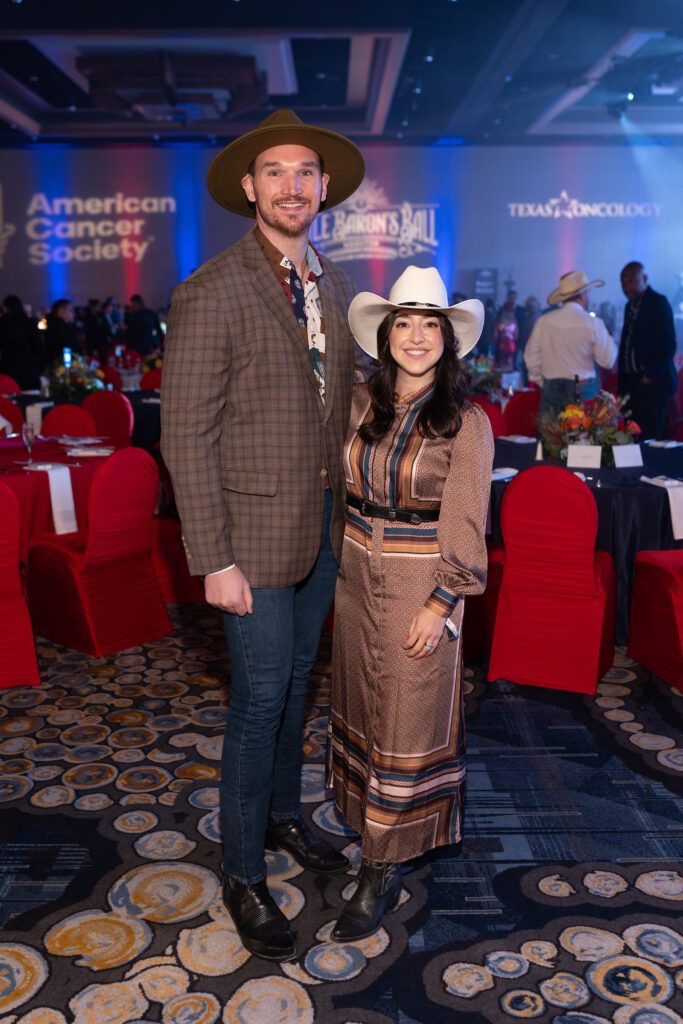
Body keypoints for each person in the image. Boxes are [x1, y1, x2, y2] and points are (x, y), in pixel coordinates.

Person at [161, 109, 365, 963]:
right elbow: (184, 435)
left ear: (322, 189)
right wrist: (212, 559)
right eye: (274, 173)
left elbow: (341, 409)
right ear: (249, 188)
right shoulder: (212, 289)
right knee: (258, 700)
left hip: (323, 530)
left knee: (294, 691)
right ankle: (241, 870)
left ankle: (282, 816)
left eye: (305, 172)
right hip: (246, 539)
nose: (291, 186)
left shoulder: (336, 286)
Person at [329, 266, 493, 941]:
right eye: (405, 322)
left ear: (447, 340)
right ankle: (366, 829)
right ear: (385, 333)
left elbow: (466, 520)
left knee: (405, 714)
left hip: (418, 580)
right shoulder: (358, 403)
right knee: (361, 704)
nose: (417, 335)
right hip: (352, 574)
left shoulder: (466, 421)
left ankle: (379, 862)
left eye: (431, 324)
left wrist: (441, 601)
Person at [524, 270, 617, 418]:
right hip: (582, 387)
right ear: (582, 295)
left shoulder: (544, 321)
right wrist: (610, 338)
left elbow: (531, 357)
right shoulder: (593, 323)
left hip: (551, 386)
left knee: (550, 438)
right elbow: (608, 360)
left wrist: (544, 382)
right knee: (581, 439)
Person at [618, 261, 678, 440]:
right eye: (623, 282)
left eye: (632, 281)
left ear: (644, 279)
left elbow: (668, 344)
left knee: (649, 435)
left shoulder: (658, 303)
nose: (627, 286)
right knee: (630, 434)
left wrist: (650, 374)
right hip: (631, 384)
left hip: (652, 383)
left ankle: (652, 469)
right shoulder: (629, 307)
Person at [0, 295, 42, 389]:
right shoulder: (30, 323)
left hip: (8, 368)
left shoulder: (2, 324)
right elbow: (38, 347)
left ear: (6, 308)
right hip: (29, 368)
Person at [45, 298, 79, 366]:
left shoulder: (63, 327)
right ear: (61, 311)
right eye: (71, 311)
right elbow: (65, 349)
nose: (74, 314)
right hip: (61, 367)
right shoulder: (58, 328)